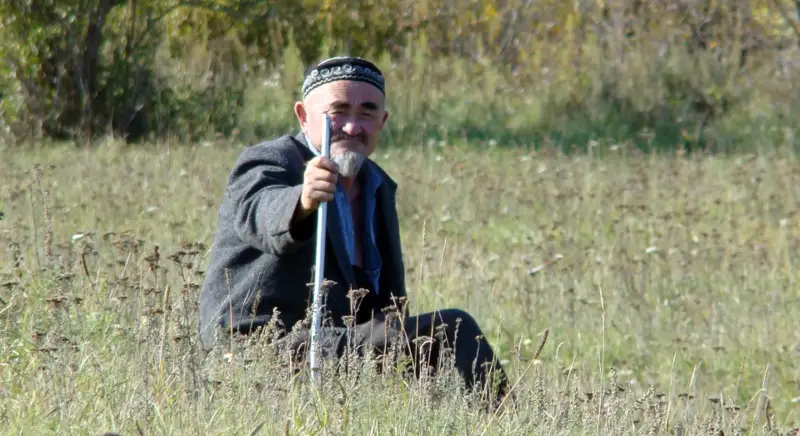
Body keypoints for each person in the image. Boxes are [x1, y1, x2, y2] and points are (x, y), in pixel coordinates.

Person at [198, 56, 509, 406]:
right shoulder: (270, 162)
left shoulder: (377, 186)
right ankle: (512, 426)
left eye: (367, 113)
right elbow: (260, 213)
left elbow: (388, 307)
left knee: (425, 346)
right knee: (452, 329)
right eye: (338, 111)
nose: (352, 127)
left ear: (382, 122)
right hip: (258, 350)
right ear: (303, 116)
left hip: (336, 345)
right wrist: (302, 200)